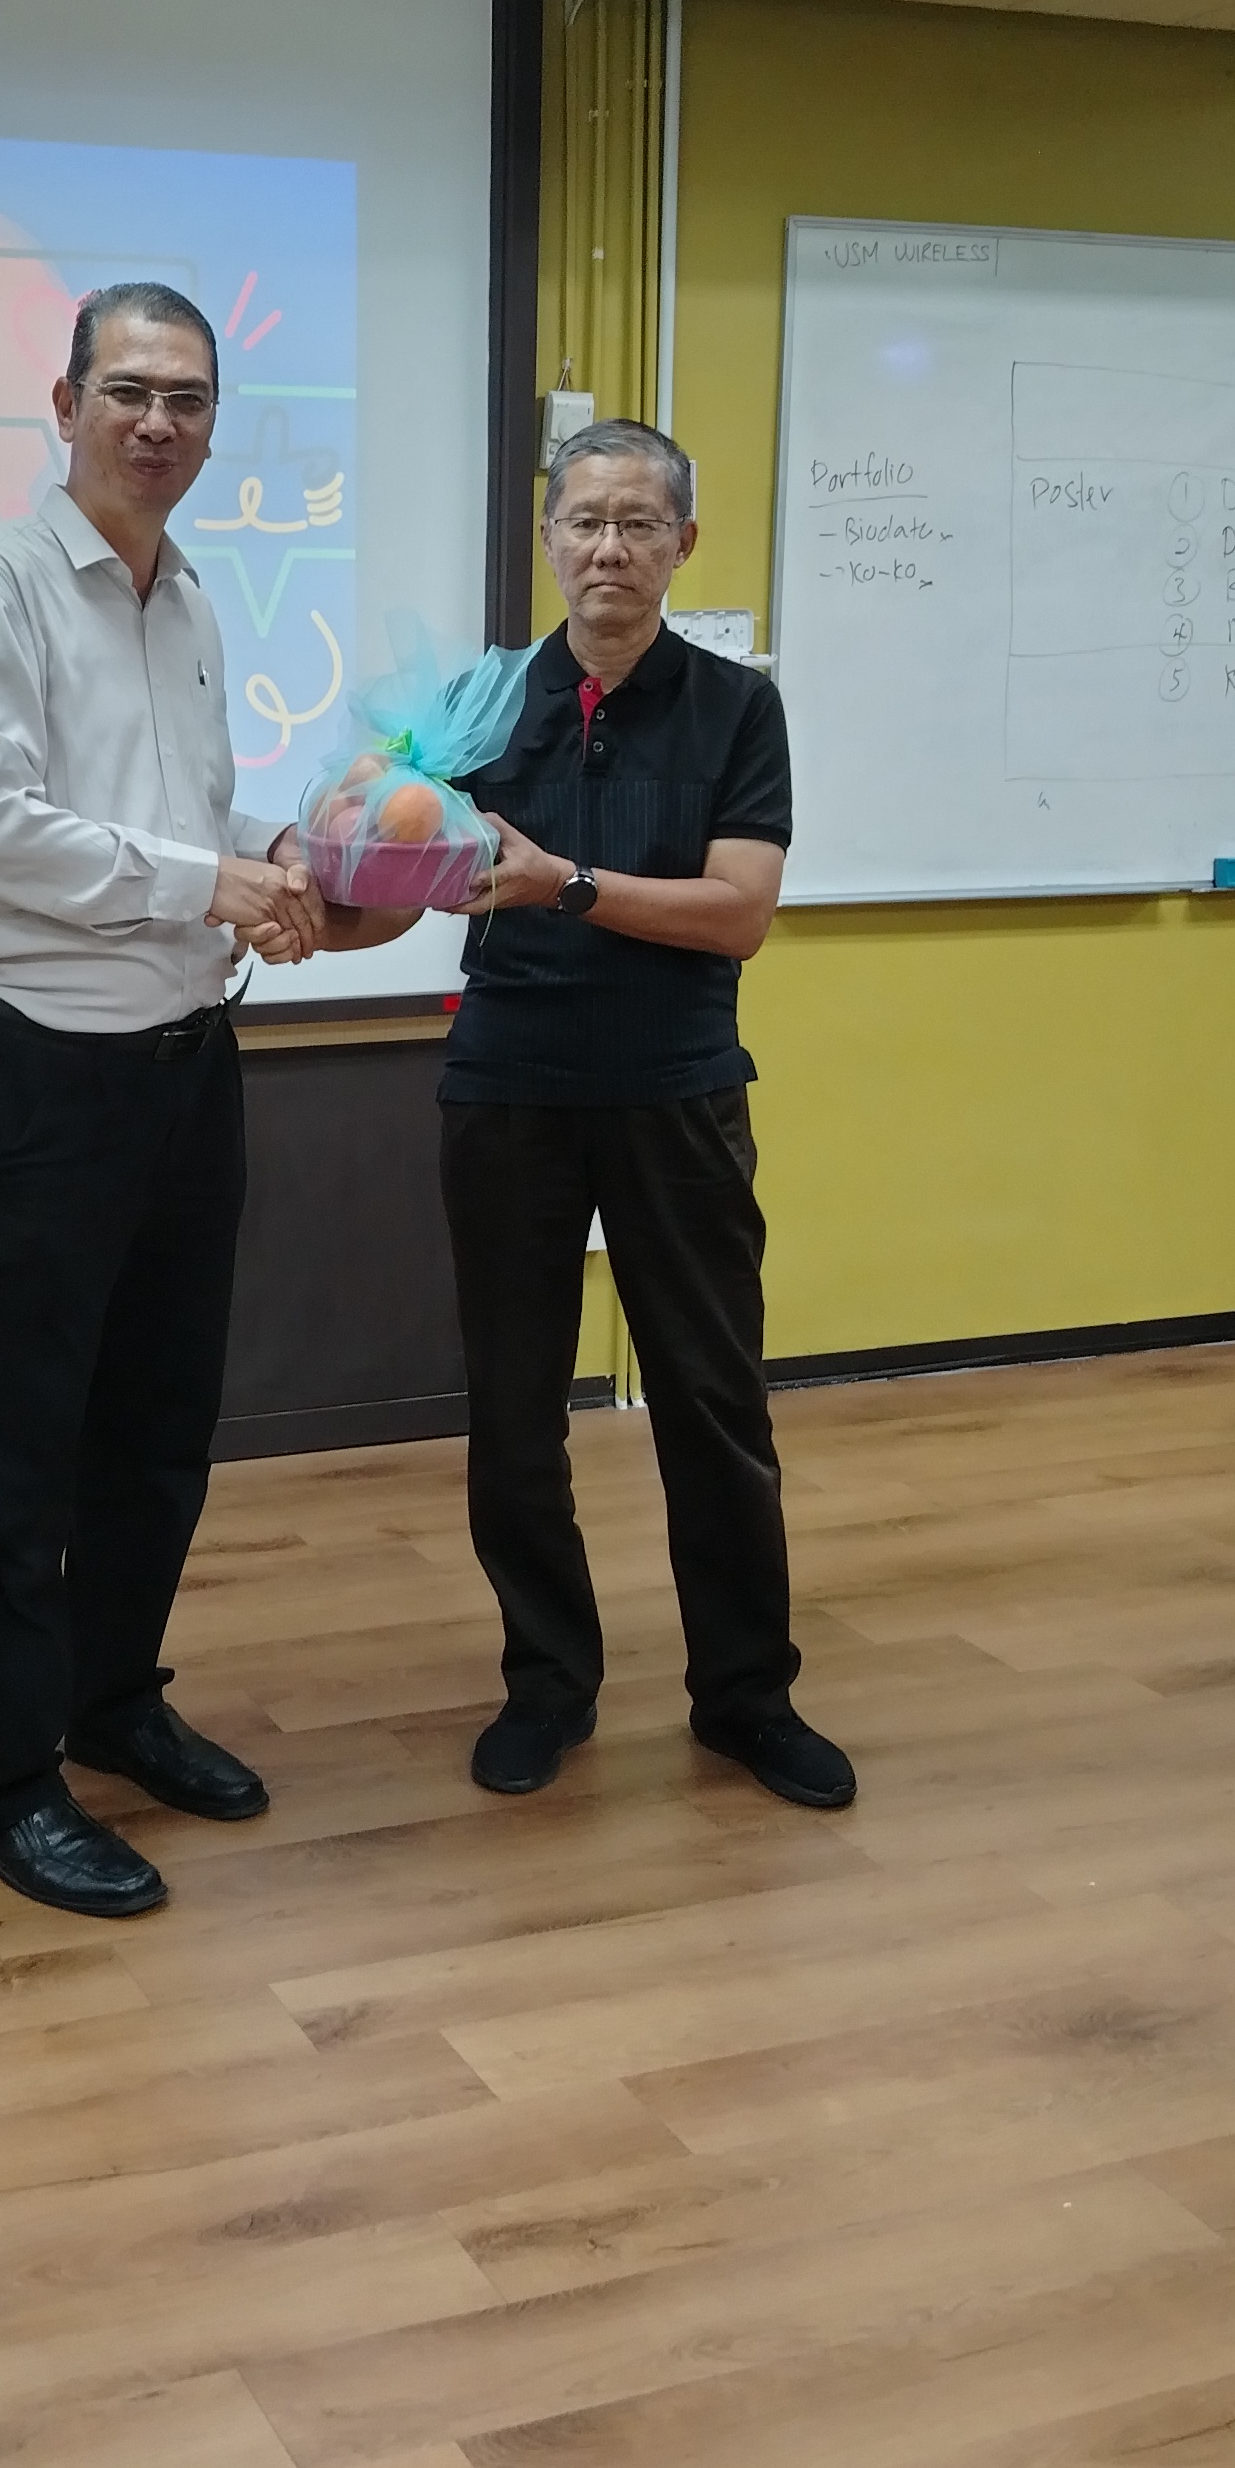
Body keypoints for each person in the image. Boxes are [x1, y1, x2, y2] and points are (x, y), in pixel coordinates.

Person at [0, 279, 355, 1919]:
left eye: (187, 400)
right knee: (15, 1450)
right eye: (129, 392)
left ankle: (112, 1703)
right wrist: (207, 885)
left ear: (213, 425)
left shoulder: (194, 598)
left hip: (185, 1067)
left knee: (159, 1430)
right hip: (37, 1070)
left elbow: (183, 817)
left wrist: (280, 864)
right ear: (66, 405)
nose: (158, 424)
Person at [404, 417, 851, 1808]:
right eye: (585, 521)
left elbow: (739, 914)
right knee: (513, 1410)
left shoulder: (737, 709)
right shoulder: (480, 707)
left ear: (682, 544)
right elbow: (403, 878)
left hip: (677, 1094)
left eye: (638, 523)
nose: (609, 547)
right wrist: (317, 865)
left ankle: (746, 1698)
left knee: (712, 1403)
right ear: (547, 539)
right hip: (508, 1093)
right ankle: (547, 1684)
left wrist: (570, 886)